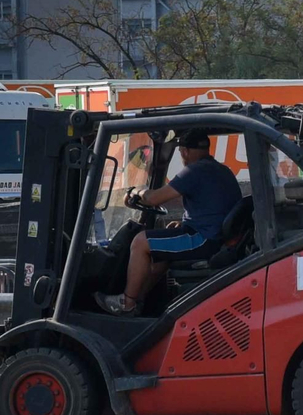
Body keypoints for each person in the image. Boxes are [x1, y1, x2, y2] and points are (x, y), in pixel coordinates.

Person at [95, 132, 243, 317]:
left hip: (204, 239)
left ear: (184, 151)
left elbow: (154, 197)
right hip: (214, 237)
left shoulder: (194, 171)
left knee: (141, 242)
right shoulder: (222, 170)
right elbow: (211, 207)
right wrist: (182, 224)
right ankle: (140, 301)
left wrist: (136, 193)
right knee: (160, 257)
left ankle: (126, 303)